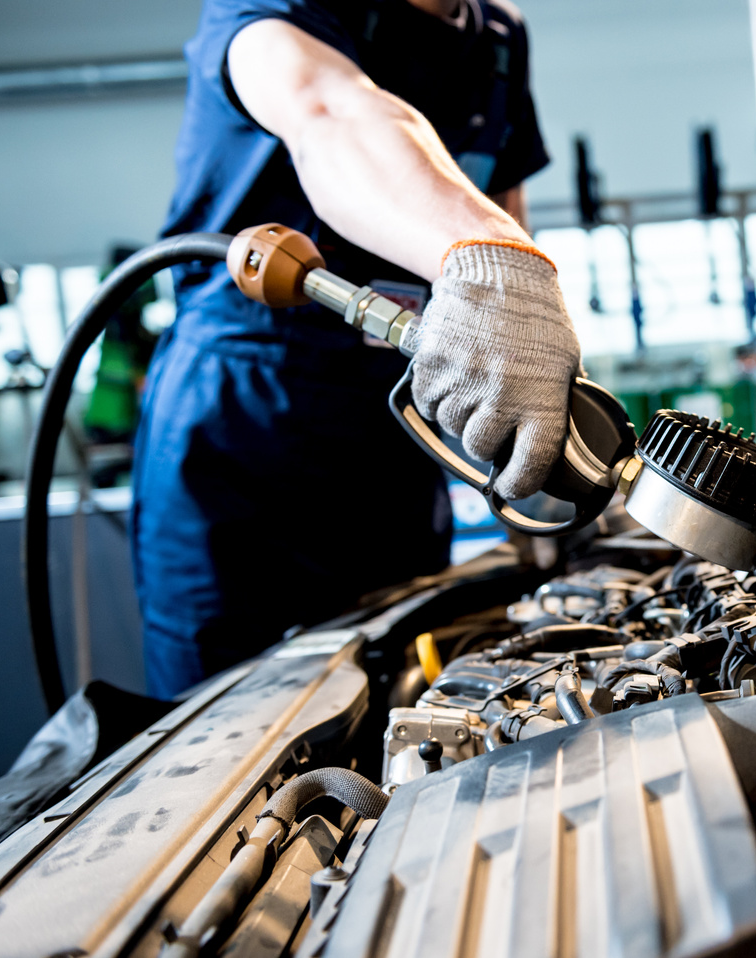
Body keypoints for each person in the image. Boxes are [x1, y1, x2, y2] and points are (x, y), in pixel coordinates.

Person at [134, 0, 580, 698]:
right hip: (242, 416)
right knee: (218, 717)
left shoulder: (498, 36)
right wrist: (492, 266)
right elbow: (332, 113)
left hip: (393, 418)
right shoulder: (277, 9)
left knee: (400, 686)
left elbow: (500, 212)